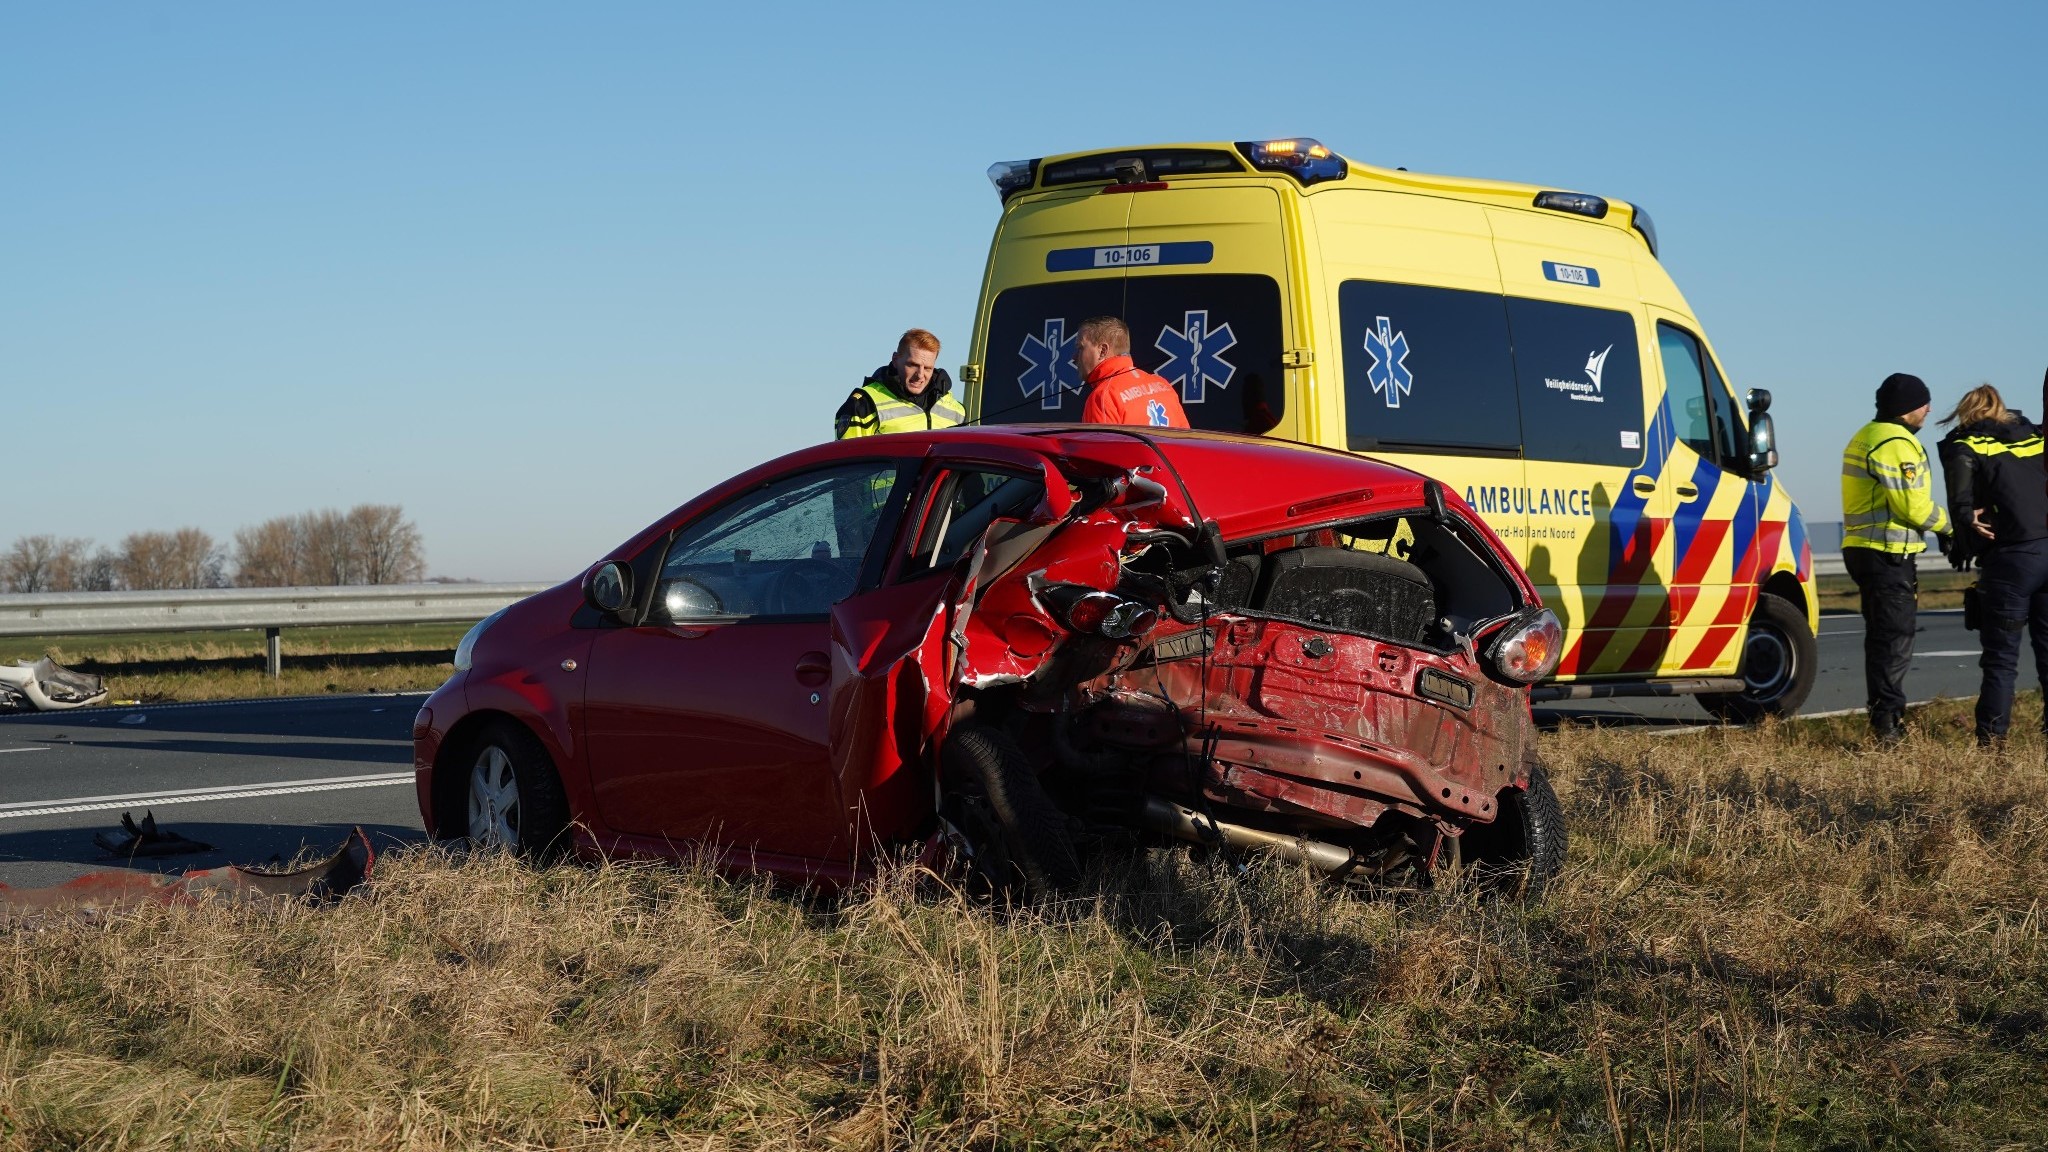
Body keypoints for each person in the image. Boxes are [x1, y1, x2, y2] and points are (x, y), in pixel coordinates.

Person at [1841, 372, 1953, 744]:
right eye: (1925, 403)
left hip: (1865, 549)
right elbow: (1913, 505)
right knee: (1894, 638)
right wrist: (1951, 529)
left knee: (1881, 636)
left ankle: (1883, 715)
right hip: (1886, 553)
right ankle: (1888, 725)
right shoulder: (1895, 443)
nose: (1929, 410)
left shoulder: (1867, 435)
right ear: (1909, 408)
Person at [1936, 384, 2048, 747]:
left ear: (1965, 412)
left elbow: (1960, 498)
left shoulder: (1966, 444)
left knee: (2001, 660)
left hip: (2012, 560)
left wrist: (1966, 521)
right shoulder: (2031, 436)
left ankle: (1992, 745)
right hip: (2047, 548)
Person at [834, 328, 965, 439]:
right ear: (895, 360)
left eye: (927, 368)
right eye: (913, 365)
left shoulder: (956, 410)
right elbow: (850, 463)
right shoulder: (864, 404)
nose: (920, 375)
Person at [1073, 317, 1190, 428]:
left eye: (1080, 348)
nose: (1074, 357)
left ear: (1102, 351)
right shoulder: (1163, 385)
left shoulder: (1103, 396)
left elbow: (1100, 449)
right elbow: (1187, 441)